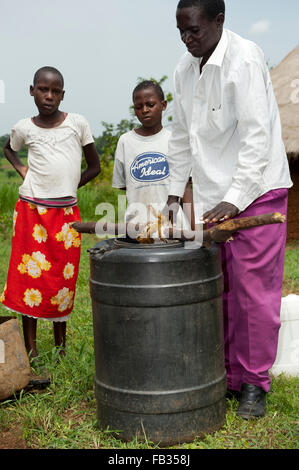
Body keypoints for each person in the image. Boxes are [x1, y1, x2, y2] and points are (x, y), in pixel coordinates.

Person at [166, 0, 293, 419]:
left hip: (256, 193)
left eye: (195, 30)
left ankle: (254, 383)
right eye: (181, 31)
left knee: (253, 296)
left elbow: (258, 136)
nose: (187, 39)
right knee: (219, 289)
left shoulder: (245, 59)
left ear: (220, 21)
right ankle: (226, 375)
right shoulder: (184, 70)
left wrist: (235, 198)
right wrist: (172, 195)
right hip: (211, 199)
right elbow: (182, 137)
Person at [0, 66, 101, 360]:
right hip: (31, 212)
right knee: (28, 280)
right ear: (32, 91)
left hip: (65, 214)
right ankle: (31, 350)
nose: (49, 96)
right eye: (43, 90)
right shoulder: (24, 128)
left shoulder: (78, 124)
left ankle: (60, 349)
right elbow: (9, 149)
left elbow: (94, 167)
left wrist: (71, 185)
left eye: (55, 91)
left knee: (61, 279)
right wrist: (23, 171)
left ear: (63, 95)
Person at [112, 80, 193, 234]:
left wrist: (197, 233)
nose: (144, 110)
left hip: (173, 227)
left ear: (163, 105)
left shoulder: (176, 141)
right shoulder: (125, 141)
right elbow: (125, 186)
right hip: (137, 227)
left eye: (150, 104)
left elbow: (186, 190)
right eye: (138, 107)